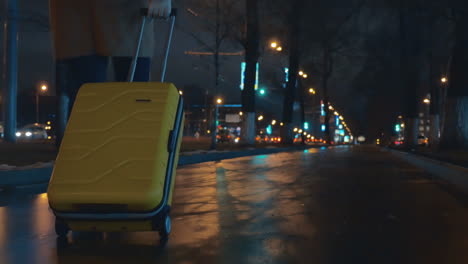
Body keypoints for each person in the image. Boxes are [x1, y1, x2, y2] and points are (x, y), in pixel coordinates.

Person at [49, 0, 172, 147]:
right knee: (86, 105)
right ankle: (85, 157)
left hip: (124, 11)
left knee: (131, 99)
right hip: (75, 13)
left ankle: (129, 155)